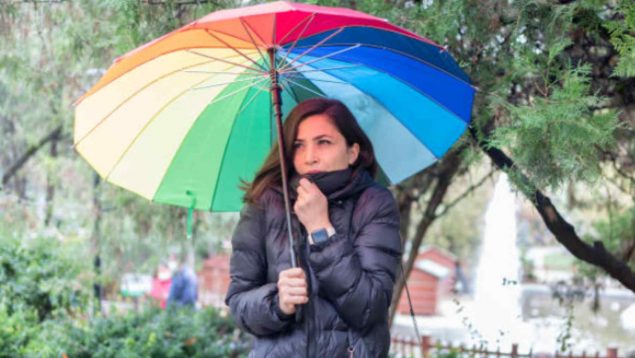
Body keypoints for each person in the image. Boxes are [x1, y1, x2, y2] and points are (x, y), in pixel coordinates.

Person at [225, 98, 402, 357]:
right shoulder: (265, 203)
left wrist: (321, 230)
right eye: (299, 145)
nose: (309, 157)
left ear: (352, 152)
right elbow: (239, 304)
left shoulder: (374, 203)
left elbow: (368, 308)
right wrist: (278, 302)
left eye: (324, 142)